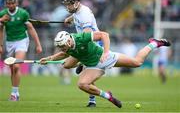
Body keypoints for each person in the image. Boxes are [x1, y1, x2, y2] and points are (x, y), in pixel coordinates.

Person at [39, 31, 171, 108]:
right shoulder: (67, 48)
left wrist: (106, 52)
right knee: (82, 84)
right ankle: (108, 96)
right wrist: (49, 58)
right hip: (93, 66)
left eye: (62, 46)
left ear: (68, 41)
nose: (62, 49)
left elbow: (104, 35)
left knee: (137, 62)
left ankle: (154, 43)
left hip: (105, 57)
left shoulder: (81, 37)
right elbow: (64, 54)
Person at [62, 0, 102, 107]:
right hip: (84, 43)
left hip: (92, 44)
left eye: (69, 4)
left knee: (86, 73)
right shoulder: (77, 11)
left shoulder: (84, 14)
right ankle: (81, 62)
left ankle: (92, 100)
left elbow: (87, 33)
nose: (67, 7)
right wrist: (69, 19)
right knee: (67, 65)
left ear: (76, 3)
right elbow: (75, 17)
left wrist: (76, 42)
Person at [0, 0, 42, 101]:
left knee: (16, 66)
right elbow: (0, 30)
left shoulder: (23, 13)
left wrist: (38, 44)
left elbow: (31, 28)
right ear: (6, 4)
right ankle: (15, 92)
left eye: (12, 3)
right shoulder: (3, 14)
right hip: (9, 42)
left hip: (22, 41)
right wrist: (0, 45)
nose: (10, 5)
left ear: (16, 3)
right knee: (12, 68)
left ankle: (14, 93)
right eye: (8, 4)